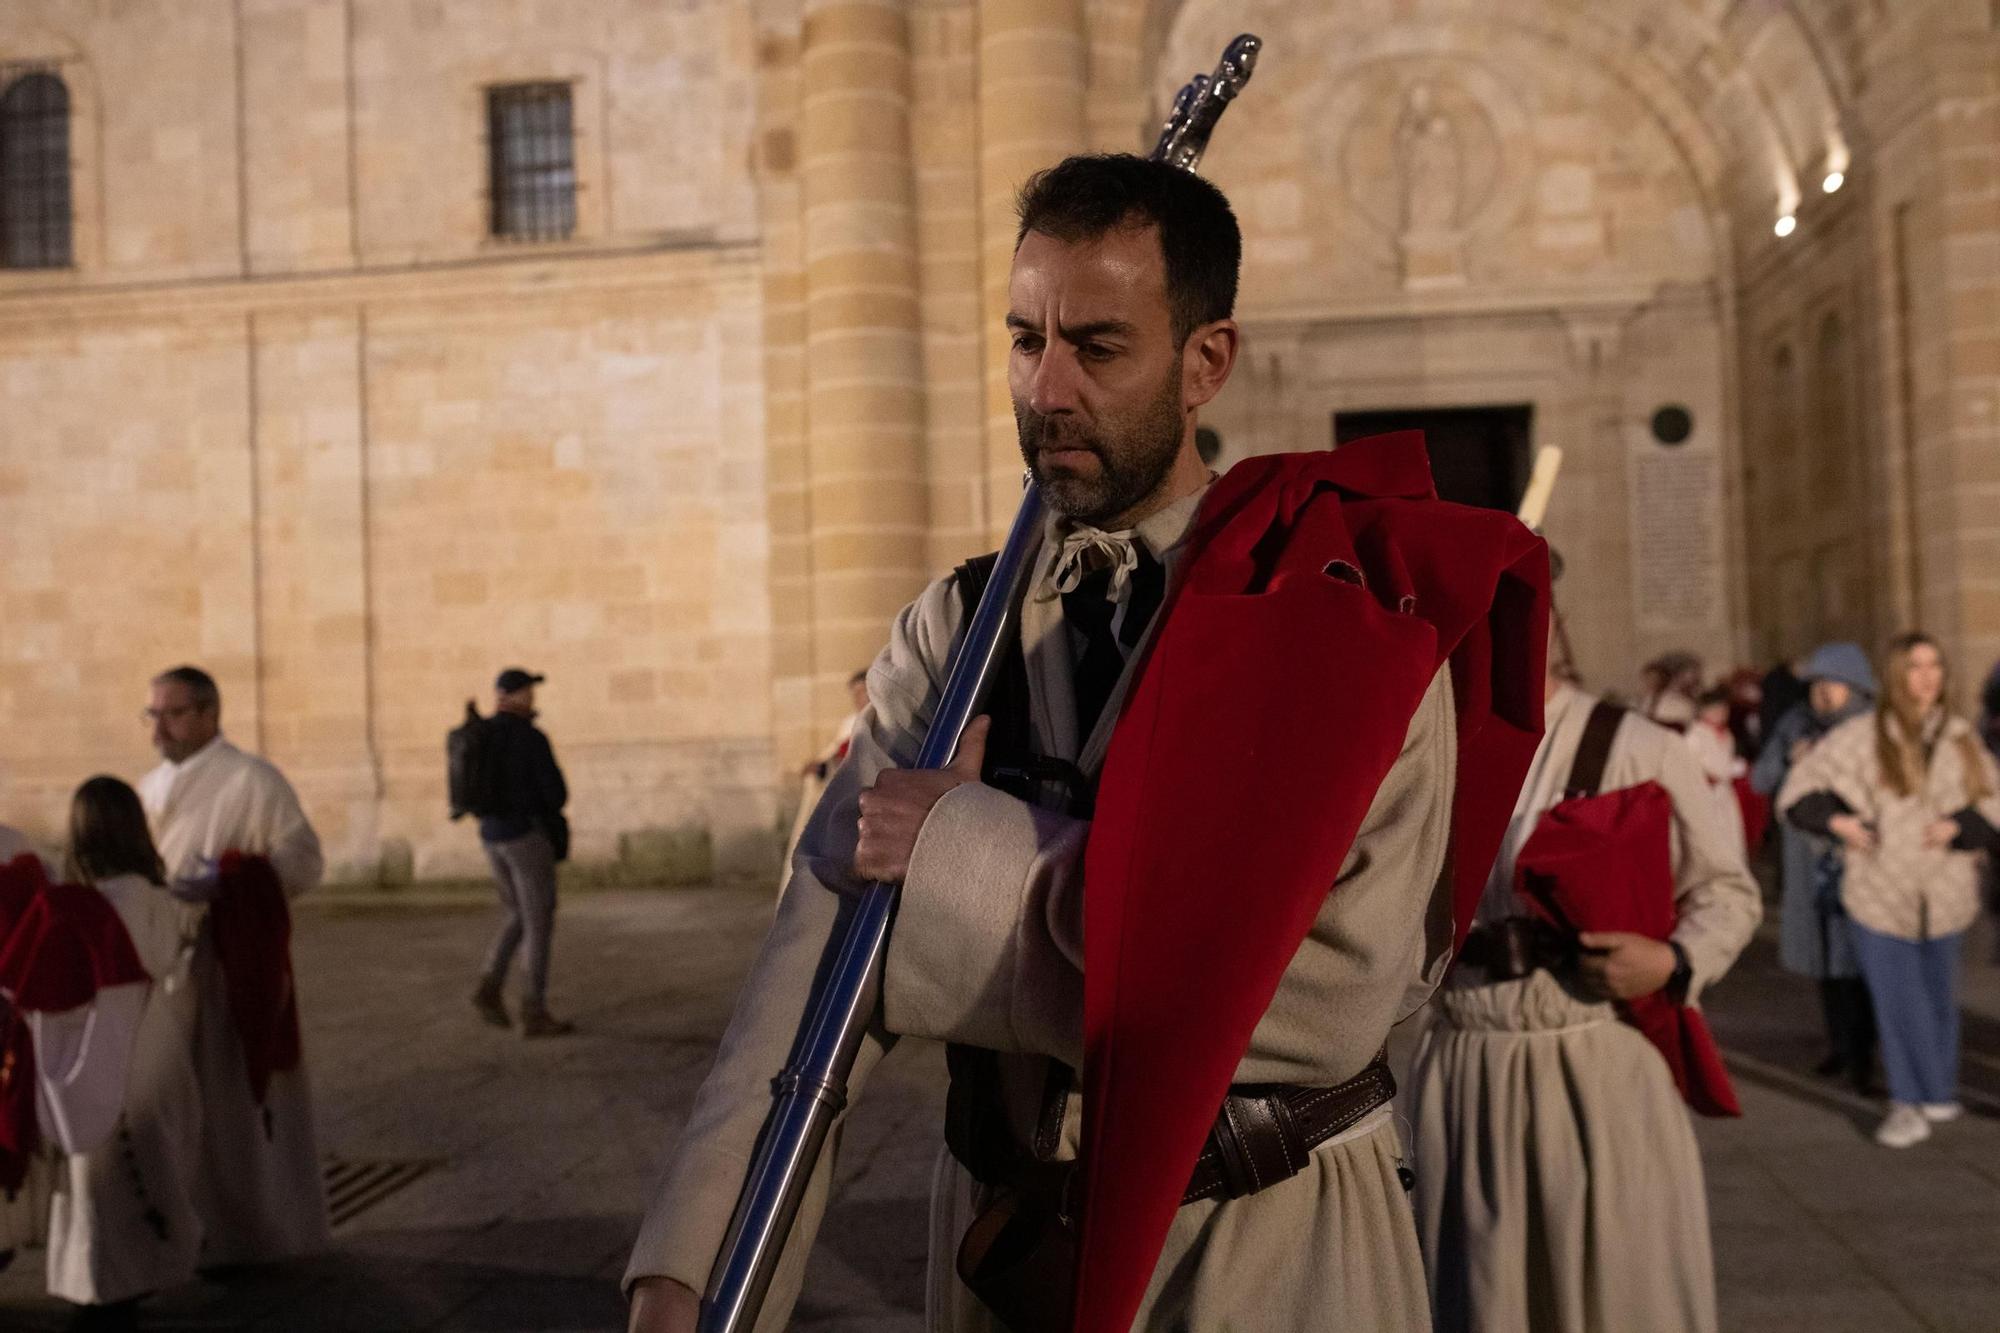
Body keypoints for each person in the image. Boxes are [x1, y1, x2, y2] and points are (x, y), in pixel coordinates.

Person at [624, 154, 1547, 1332]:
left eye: (1096, 348)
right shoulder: (956, 627)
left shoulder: (1337, 620)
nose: (1045, 388)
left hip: (1261, 1239)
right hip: (1003, 1237)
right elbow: (814, 959)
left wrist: (971, 857)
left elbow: (1327, 996)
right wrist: (690, 1269)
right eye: (1023, 339)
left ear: (1204, 360)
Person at [1410, 636, 1761, 1333]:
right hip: (1465, 1065)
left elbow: (1727, 890)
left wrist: (1671, 959)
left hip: (1592, 1061)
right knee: (1484, 1288)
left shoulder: (1633, 743)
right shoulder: (1427, 740)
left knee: (1616, 1286)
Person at [135, 664, 329, 1266]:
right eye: (153, 714)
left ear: (208, 713)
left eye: (171, 713)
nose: (158, 727)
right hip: (165, 968)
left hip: (226, 967)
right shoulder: (148, 788)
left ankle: (250, 1232)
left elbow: (302, 858)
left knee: (231, 1106)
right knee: (166, 1104)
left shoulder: (251, 780)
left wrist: (233, 879)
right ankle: (181, 1229)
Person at [1778, 632, 2000, 1147]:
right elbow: (1798, 791)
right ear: (1896, 674)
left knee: (1938, 998)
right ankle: (1907, 1101)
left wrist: (1960, 825)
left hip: (1945, 890)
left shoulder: (1961, 737)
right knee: (1897, 998)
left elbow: (1992, 802)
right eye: (1916, 666)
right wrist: (1841, 823)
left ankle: (1938, 1089)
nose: (1928, 676)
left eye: (1935, 666)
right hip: (1879, 888)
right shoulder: (1862, 736)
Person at [46, 777, 202, 1330]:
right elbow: (169, 960)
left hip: (105, 1034)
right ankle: (141, 1268)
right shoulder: (156, 894)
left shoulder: (93, 905)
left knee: (99, 1165)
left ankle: (101, 1281)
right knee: (151, 1155)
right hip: (154, 1034)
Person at [1752, 642, 1879, 1091]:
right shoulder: (1794, 724)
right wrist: (1791, 759)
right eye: (1817, 685)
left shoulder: (1873, 728)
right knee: (1825, 958)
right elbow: (1760, 779)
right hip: (1808, 859)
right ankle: (1840, 1046)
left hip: (1858, 856)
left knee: (1859, 957)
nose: (1823, 694)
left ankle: (1865, 1053)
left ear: (1856, 686)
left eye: (1833, 684)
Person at [471, 668, 574, 1038]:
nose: (533, 696)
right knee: (538, 921)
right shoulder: (529, 738)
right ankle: (533, 1010)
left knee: (516, 912)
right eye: (528, 690)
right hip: (525, 838)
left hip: (491, 836)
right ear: (516, 695)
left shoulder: (481, 734)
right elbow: (556, 794)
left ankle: (489, 985)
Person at [782, 670, 871, 873]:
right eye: (854, 693)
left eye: (862, 691)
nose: (858, 698)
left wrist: (826, 765)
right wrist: (819, 767)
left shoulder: (880, 719)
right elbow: (835, 754)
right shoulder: (849, 723)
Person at [1686, 685, 1749, 859]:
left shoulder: (1727, 735)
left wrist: (1732, 768)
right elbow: (1690, 766)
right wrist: (1723, 771)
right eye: (1716, 709)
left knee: (1729, 838)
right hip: (1705, 794)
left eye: (1724, 709)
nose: (1721, 713)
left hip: (1724, 794)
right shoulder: (1695, 735)